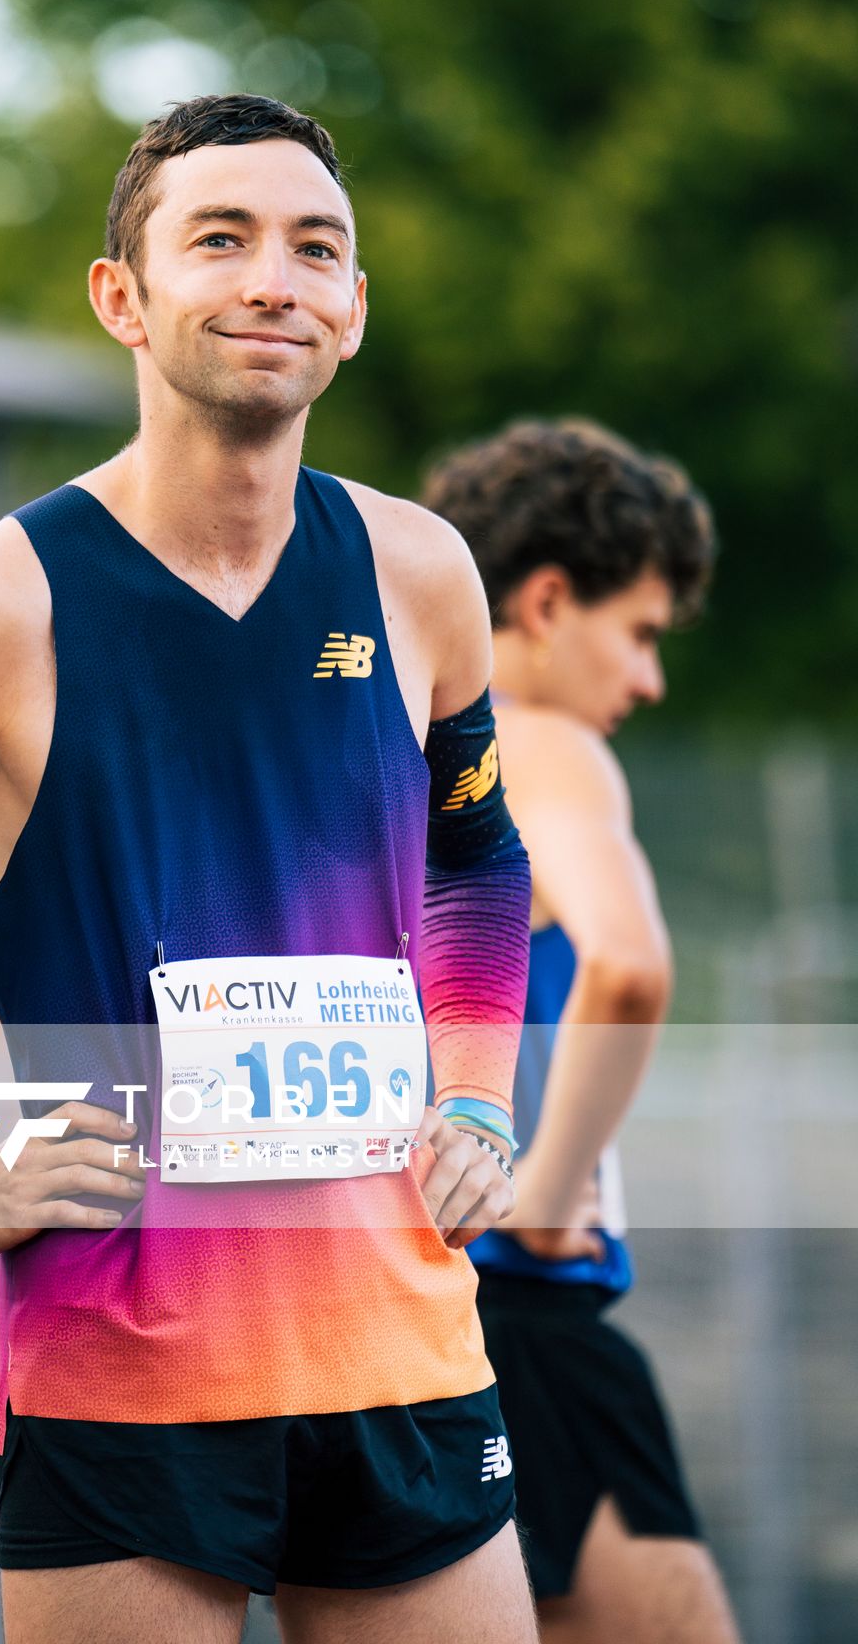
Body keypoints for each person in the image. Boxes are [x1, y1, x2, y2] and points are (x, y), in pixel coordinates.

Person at [0, 94, 538, 1644]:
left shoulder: (420, 573)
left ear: (354, 310)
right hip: (125, 1387)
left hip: (407, 1357)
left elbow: (479, 862)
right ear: (121, 298)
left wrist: (474, 1088)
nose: (274, 278)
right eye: (221, 238)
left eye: (313, 247)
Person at [423, 418, 741, 1643]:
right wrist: (547, 1190)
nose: (649, 680)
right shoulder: (538, 740)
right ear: (547, 601)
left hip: (397, 1321)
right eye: (641, 633)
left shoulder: (375, 750)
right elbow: (625, 963)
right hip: (524, 1318)